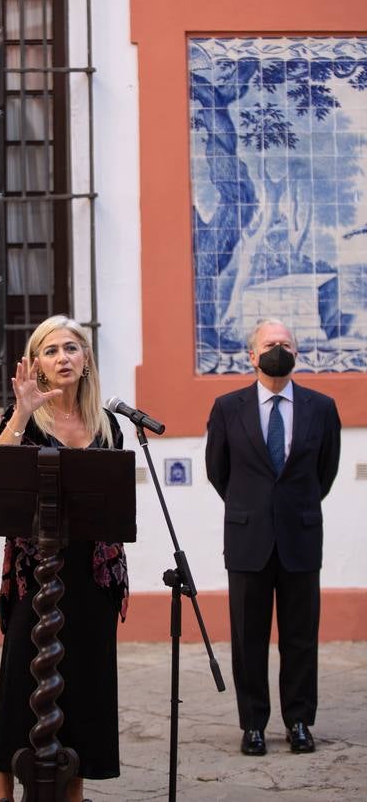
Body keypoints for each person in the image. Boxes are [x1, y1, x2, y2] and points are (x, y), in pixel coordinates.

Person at [0, 314, 129, 802]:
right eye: (50, 351)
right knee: (22, 672)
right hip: (37, 568)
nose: (62, 357)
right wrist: (21, 414)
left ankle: (76, 786)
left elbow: (116, 499)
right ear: (38, 365)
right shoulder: (25, 417)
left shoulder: (108, 423)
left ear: (86, 359)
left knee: (86, 678)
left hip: (91, 569)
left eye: (71, 348)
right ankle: (3, 783)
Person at [205, 318, 341, 757]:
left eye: (284, 344)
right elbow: (218, 471)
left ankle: (299, 721)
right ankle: (254, 724)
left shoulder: (322, 407)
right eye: (269, 344)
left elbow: (326, 471)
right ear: (251, 355)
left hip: (300, 536)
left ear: (296, 354)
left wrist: (290, 507)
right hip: (248, 540)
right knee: (248, 637)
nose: (277, 349)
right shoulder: (227, 407)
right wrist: (253, 508)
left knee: (301, 636)